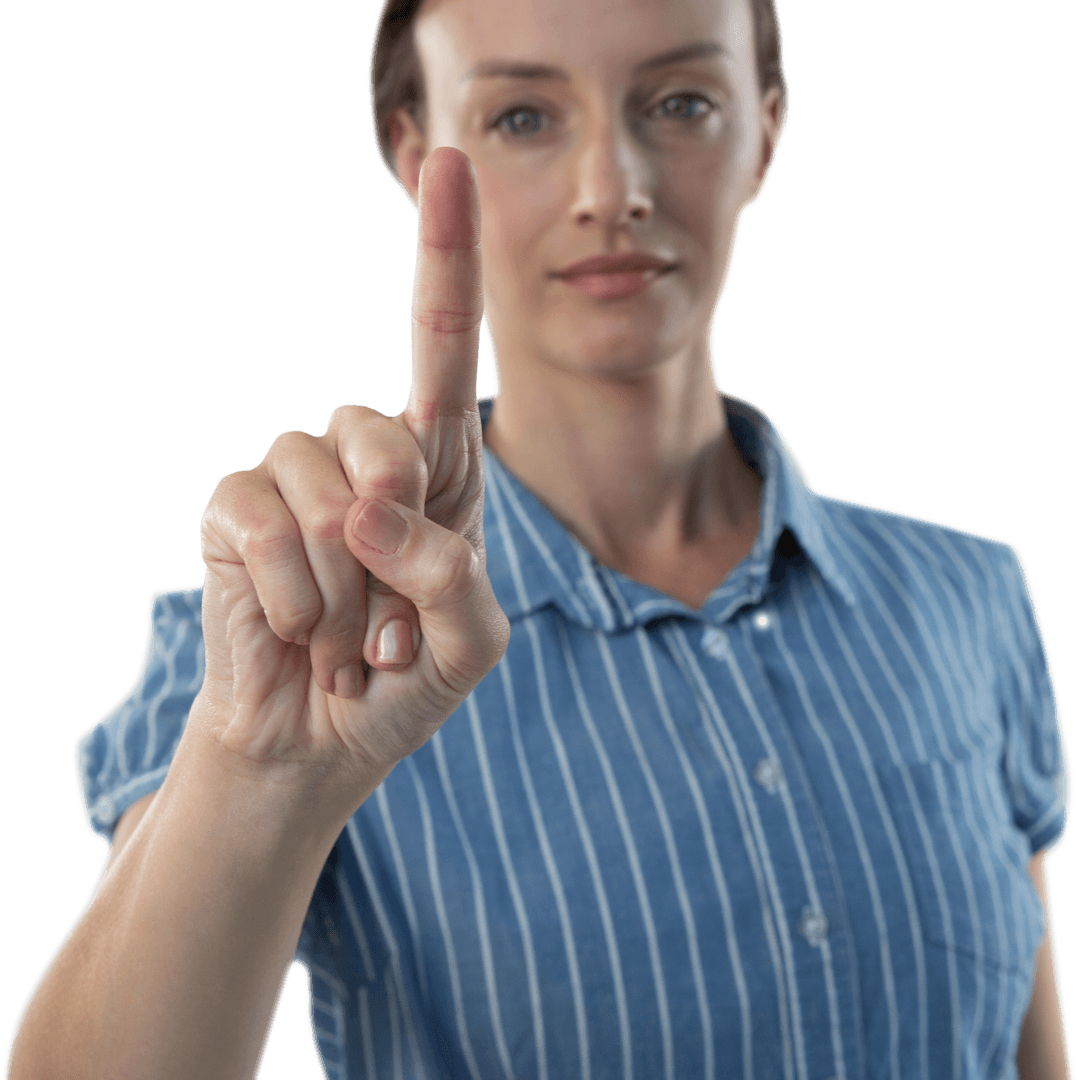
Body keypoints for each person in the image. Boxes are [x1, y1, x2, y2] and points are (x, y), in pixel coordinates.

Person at [5, 0, 1073, 1075]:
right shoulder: (294, 640)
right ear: (413, 152)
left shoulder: (968, 596)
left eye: (682, 101)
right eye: (523, 116)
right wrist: (259, 774)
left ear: (768, 126)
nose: (613, 189)